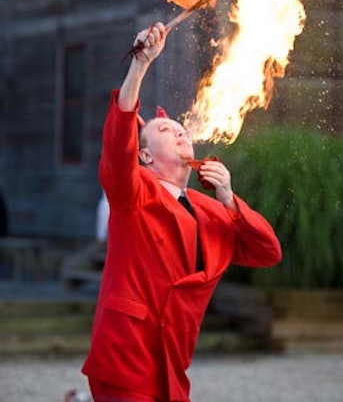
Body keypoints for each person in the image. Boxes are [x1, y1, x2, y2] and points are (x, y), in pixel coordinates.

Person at [81, 22, 282, 402]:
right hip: (127, 355)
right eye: (165, 130)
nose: (179, 131)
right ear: (145, 155)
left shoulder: (213, 210)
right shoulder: (133, 193)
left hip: (173, 363)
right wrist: (140, 65)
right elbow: (118, 141)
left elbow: (267, 252)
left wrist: (229, 198)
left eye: (179, 128)